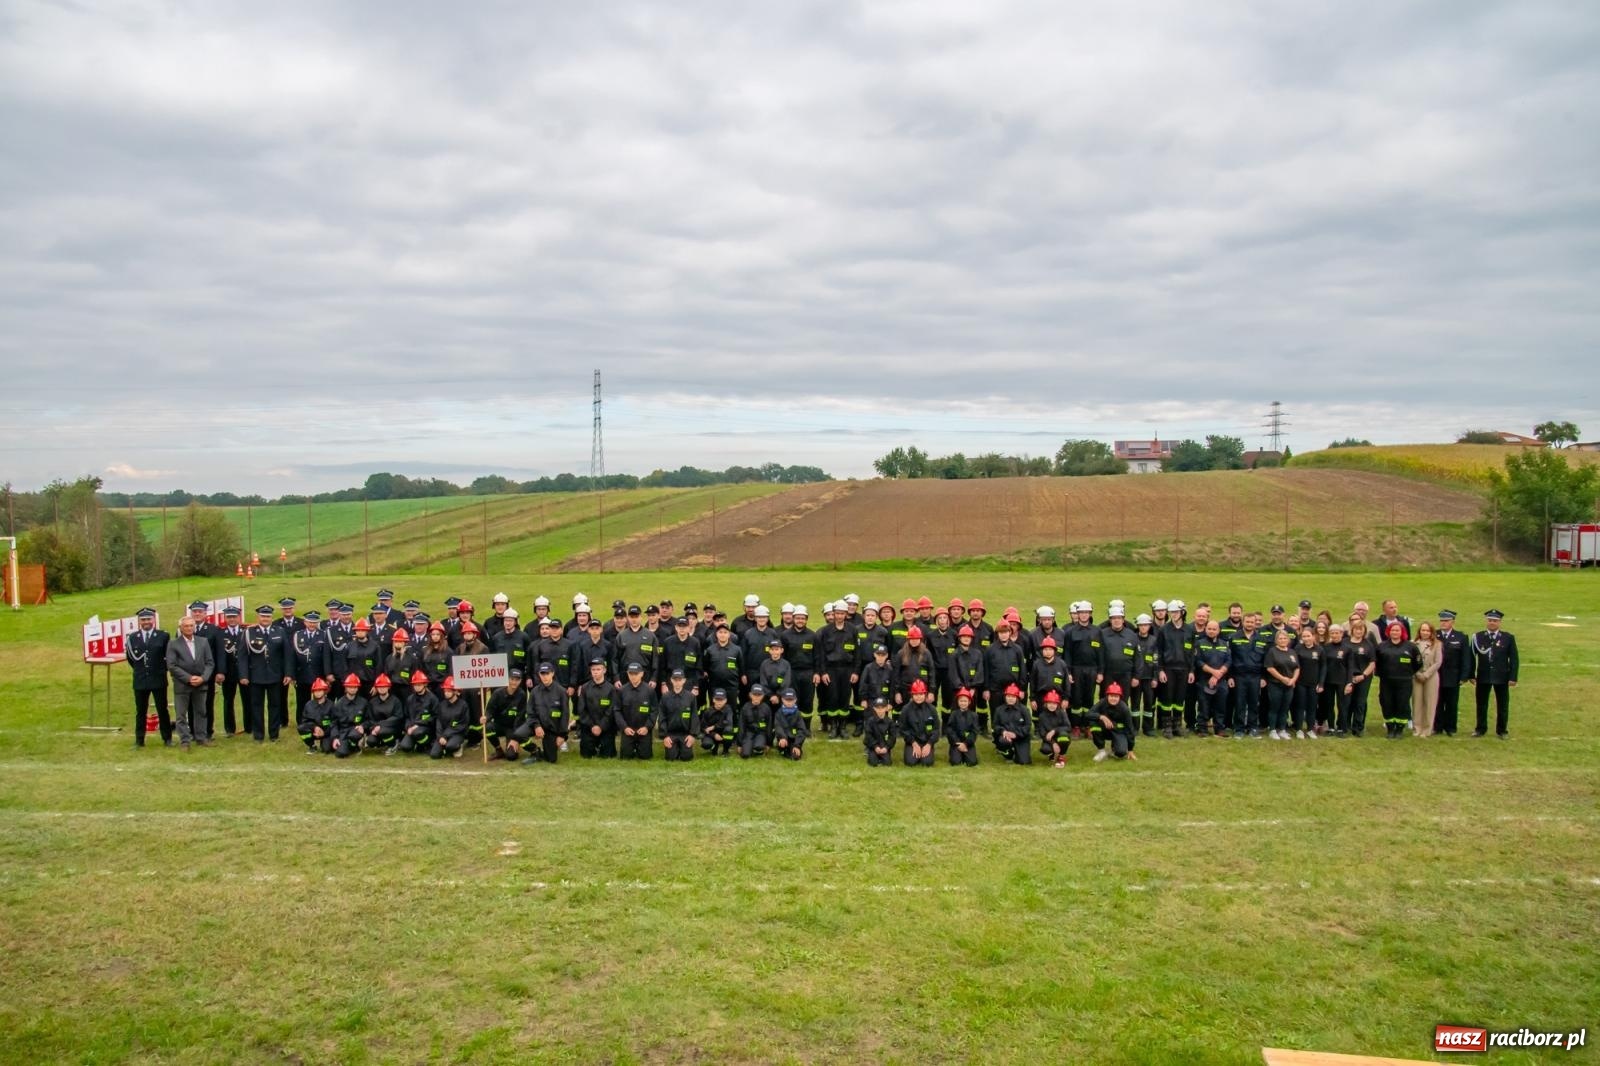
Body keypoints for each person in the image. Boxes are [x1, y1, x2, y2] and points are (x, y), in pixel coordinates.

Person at [237, 604, 292, 742]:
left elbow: (287, 655)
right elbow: (242, 656)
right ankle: (258, 735)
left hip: (275, 675)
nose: (265, 619)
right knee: (256, 706)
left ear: (271, 617)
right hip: (255, 676)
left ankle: (274, 735)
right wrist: (243, 675)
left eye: (268, 616)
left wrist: (288, 674)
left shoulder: (279, 631)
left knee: (275, 705)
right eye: (263, 616)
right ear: (258, 617)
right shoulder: (249, 632)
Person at [165, 614, 215, 750]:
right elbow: (172, 665)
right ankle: (185, 741)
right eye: (186, 626)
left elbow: (210, 663)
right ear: (180, 628)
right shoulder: (173, 644)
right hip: (182, 684)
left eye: (191, 625)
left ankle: (201, 737)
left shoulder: (203, 642)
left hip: (200, 683)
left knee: (201, 711)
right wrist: (188, 678)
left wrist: (203, 678)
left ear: (194, 627)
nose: (189, 628)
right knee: (181, 714)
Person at [126, 607, 172, 747]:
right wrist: (140, 670)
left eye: (148, 619)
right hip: (140, 680)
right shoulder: (132, 637)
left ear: (153, 620)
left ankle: (167, 738)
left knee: (162, 709)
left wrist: (159, 670)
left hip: (158, 678)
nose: (146, 622)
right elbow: (131, 658)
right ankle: (139, 740)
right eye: (143, 620)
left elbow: (168, 657)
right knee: (141, 711)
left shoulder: (163, 636)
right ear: (139, 621)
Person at [1469, 609, 1518, 738]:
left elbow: (1514, 659)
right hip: (1483, 676)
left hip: (1501, 677)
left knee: (1502, 705)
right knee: (1481, 704)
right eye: (1490, 620)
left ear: (1500, 622)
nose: (1492, 623)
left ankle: (1502, 730)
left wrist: (1513, 677)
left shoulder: (1508, 638)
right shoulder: (1478, 637)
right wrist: (1471, 675)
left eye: (1495, 621)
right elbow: (1471, 657)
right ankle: (1480, 728)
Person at [1376, 622, 1421, 739]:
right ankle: (1390, 728)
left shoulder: (1411, 647)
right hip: (1386, 681)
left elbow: (1418, 663)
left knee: (1402, 704)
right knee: (1387, 703)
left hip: (1404, 681)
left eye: (1397, 630)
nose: (1395, 632)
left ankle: (1400, 729)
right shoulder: (1382, 646)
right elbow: (1377, 663)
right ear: (1388, 632)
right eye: (1392, 630)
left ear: (1402, 632)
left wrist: (1408, 673)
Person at [518, 662, 568, 764]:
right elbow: (530, 712)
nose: (545, 676)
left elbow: (565, 716)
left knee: (551, 760)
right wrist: (536, 726)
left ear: (552, 674)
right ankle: (535, 751)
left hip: (551, 729)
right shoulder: (534, 692)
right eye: (542, 674)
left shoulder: (561, 691)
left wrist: (562, 735)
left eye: (547, 673)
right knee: (519, 734)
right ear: (539, 675)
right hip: (536, 725)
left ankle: (542, 754)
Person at [1433, 610, 1471, 736]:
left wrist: (1464, 676)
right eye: (1442, 621)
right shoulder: (1434, 635)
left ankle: (1451, 728)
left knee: (1452, 703)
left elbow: (1466, 658)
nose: (1443, 623)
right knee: (1437, 702)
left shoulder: (1461, 637)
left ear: (1452, 622)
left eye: (1446, 621)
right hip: (1437, 675)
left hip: (1453, 676)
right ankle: (1437, 727)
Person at [1193, 620, 1232, 737]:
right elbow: (1198, 661)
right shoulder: (1199, 643)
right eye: (1209, 629)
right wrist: (1213, 672)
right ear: (1205, 629)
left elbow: (1228, 661)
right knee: (1204, 705)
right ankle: (1202, 729)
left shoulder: (1224, 644)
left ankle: (1219, 729)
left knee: (1220, 705)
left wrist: (1218, 673)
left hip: (1221, 680)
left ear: (1218, 631)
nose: (1211, 631)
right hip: (1204, 679)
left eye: (1214, 629)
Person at [212, 606, 245, 735]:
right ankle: (229, 729)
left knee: (247, 699)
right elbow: (219, 654)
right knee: (228, 701)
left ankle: (249, 726)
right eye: (229, 617)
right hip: (228, 672)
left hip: (244, 672)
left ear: (239, 617)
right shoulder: (220, 633)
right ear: (225, 618)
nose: (232, 619)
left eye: (234, 617)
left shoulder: (245, 632)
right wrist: (220, 672)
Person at [576, 659, 618, 759]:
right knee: (586, 755)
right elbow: (581, 710)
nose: (595, 672)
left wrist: (601, 726)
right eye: (593, 669)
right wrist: (592, 726)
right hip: (589, 727)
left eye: (598, 669)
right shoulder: (585, 688)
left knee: (607, 755)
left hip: (606, 727)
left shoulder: (611, 689)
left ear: (604, 670)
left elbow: (611, 710)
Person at [1263, 628, 1299, 741]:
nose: (1282, 640)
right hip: (1275, 684)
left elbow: (1297, 668)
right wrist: (1282, 678)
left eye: (1284, 638)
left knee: (1285, 708)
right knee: (1275, 707)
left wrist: (1293, 680)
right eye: (1280, 638)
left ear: (1288, 639)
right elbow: (1269, 668)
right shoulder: (1272, 651)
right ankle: (1273, 730)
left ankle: (1282, 729)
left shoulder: (1292, 652)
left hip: (1289, 685)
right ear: (1276, 640)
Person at [615, 662, 656, 760]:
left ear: (642, 674)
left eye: (636, 674)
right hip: (628, 730)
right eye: (631, 674)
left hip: (644, 730)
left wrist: (647, 727)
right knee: (626, 757)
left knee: (645, 756)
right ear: (627, 674)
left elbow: (654, 711)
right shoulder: (621, 691)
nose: (633, 676)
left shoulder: (650, 691)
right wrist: (624, 728)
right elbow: (617, 711)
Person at [1088, 683, 1138, 762]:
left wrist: (1130, 749)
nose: (1113, 699)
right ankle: (1101, 751)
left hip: (1119, 731)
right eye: (1111, 696)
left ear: (1119, 697)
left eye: (1116, 696)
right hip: (1105, 729)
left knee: (1121, 753)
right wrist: (1101, 717)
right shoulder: (1102, 702)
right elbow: (1089, 714)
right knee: (1093, 723)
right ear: (1107, 696)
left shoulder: (1124, 709)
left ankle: (1114, 749)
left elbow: (1130, 729)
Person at [1344, 617, 1377, 737]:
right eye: (1356, 629)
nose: (1359, 631)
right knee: (1347, 702)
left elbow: (1372, 662)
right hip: (1348, 677)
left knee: (1360, 702)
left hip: (1363, 678)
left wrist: (1363, 675)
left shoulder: (1368, 644)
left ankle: (1358, 727)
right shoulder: (1345, 643)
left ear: (1364, 630)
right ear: (1352, 630)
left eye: (1361, 629)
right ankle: (1345, 725)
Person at [1410, 621, 1443, 737]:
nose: (1425, 632)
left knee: (1430, 703)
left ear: (1431, 632)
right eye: (1423, 630)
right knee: (1417, 702)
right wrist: (1418, 673)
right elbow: (1411, 661)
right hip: (1416, 676)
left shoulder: (1437, 644)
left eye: (1427, 630)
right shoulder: (1413, 644)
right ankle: (1417, 728)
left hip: (1431, 676)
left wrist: (1426, 674)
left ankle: (1427, 729)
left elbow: (1438, 662)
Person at [1291, 627, 1324, 740]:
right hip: (1301, 683)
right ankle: (1299, 729)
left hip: (1314, 683)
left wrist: (1321, 683)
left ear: (1313, 636)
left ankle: (1310, 729)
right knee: (1300, 706)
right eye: (1304, 636)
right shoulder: (1298, 648)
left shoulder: (1319, 650)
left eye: (1308, 636)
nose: (1306, 638)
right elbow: (1294, 666)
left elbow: (1323, 667)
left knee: (1312, 707)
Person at [659, 669, 699, 761]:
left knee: (687, 757)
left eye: (680, 680)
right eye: (675, 680)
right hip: (671, 734)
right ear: (671, 680)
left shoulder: (691, 697)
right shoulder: (665, 697)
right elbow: (662, 717)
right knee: (671, 757)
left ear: (684, 680)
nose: (677, 682)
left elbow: (694, 717)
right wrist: (664, 736)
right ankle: (674, 749)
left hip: (685, 734)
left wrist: (692, 735)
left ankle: (683, 749)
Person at [899, 680, 939, 766]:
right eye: (916, 694)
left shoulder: (932, 709)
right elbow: (903, 729)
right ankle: (912, 750)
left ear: (925, 694)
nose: (918, 697)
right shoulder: (906, 709)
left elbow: (936, 729)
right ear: (912, 695)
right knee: (910, 762)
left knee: (927, 763)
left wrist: (929, 744)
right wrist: (913, 743)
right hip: (912, 741)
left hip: (927, 741)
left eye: (921, 694)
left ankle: (927, 752)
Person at [1321, 623, 1352, 737]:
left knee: (1342, 705)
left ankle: (1341, 728)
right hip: (1329, 681)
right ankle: (1331, 727)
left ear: (1341, 634)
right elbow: (1323, 665)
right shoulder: (1325, 648)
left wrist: (1349, 683)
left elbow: (1350, 667)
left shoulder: (1347, 649)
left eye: (1337, 633)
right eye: (1332, 633)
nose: (1334, 635)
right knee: (1329, 705)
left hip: (1342, 681)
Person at [397, 670, 437, 754]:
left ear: (425, 684)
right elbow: (407, 716)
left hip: (426, 728)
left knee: (418, 733)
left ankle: (426, 744)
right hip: (412, 728)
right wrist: (408, 727)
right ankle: (417, 743)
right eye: (415, 685)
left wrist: (419, 724)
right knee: (405, 747)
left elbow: (435, 717)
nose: (417, 687)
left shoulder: (432, 699)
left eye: (419, 684)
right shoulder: (410, 699)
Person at [429, 677, 471, 759]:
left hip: (457, 734)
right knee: (434, 755)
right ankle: (445, 748)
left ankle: (458, 746)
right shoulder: (442, 705)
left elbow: (462, 725)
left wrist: (445, 735)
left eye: (449, 691)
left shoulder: (463, 705)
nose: (446, 693)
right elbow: (439, 722)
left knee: (450, 746)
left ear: (455, 691)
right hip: (443, 735)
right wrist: (440, 736)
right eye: (445, 691)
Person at [329, 673, 367, 759]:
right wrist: (335, 738)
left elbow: (369, 719)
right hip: (343, 733)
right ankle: (352, 746)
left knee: (354, 735)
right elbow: (334, 723)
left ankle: (358, 743)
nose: (352, 689)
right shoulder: (339, 704)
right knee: (339, 753)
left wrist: (363, 726)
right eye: (350, 686)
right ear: (346, 687)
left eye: (355, 687)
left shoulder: (364, 703)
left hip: (356, 731)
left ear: (357, 688)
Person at [992, 684, 1032, 765]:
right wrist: (1003, 732)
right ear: (1005, 697)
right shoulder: (999, 710)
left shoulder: (1024, 710)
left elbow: (1028, 726)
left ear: (1017, 698)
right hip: (1005, 737)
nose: (1010, 699)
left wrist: (1015, 734)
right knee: (1003, 742)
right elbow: (995, 726)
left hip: (1020, 737)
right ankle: (1008, 755)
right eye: (1008, 696)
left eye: (1013, 697)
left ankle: (1017, 752)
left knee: (1024, 761)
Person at [297, 677, 335, 754]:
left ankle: (324, 743)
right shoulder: (308, 705)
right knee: (301, 728)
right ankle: (312, 745)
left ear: (325, 691)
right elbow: (304, 721)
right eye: (315, 691)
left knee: (326, 749)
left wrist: (324, 733)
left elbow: (334, 723)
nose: (317, 693)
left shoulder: (331, 705)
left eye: (320, 690)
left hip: (327, 732)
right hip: (313, 731)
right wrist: (315, 727)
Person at [944, 688, 980, 767]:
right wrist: (957, 742)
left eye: (965, 701)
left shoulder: (974, 715)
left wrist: (966, 743)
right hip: (956, 743)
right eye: (961, 701)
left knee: (972, 762)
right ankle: (956, 753)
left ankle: (966, 753)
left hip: (968, 743)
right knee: (955, 762)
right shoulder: (953, 714)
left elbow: (974, 731)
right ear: (958, 702)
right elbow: (950, 730)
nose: (963, 703)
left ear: (969, 702)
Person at [1036, 690, 1071, 767]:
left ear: (1057, 704)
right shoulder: (1042, 716)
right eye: (1050, 703)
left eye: (1054, 703)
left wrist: (1054, 731)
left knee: (1064, 736)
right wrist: (1053, 743)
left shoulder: (1062, 712)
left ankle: (1061, 756)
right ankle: (1052, 754)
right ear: (1046, 703)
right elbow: (1042, 733)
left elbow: (1068, 727)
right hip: (1049, 740)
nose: (1052, 705)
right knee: (1045, 750)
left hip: (1060, 736)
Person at [773, 688, 808, 760]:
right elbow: (778, 726)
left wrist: (797, 745)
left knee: (795, 757)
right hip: (783, 739)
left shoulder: (798, 714)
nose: (789, 702)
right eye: (787, 700)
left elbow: (802, 730)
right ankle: (781, 747)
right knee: (783, 749)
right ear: (782, 700)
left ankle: (793, 749)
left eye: (791, 700)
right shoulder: (778, 713)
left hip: (794, 740)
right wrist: (782, 737)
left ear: (795, 700)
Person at [738, 684, 771, 758]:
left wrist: (768, 744)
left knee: (758, 747)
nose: (756, 697)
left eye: (759, 695)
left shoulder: (766, 708)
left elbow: (769, 726)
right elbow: (741, 726)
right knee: (745, 755)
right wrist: (739, 744)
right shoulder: (745, 707)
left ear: (763, 695)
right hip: (749, 733)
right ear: (750, 695)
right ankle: (749, 746)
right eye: (754, 694)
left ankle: (758, 746)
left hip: (761, 733)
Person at [701, 688, 736, 756]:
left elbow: (728, 722)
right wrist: (714, 735)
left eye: (721, 700)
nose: (719, 702)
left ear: (725, 700)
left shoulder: (728, 709)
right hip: (712, 735)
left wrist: (714, 727)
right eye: (717, 699)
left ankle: (725, 751)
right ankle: (713, 747)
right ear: (713, 699)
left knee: (729, 729)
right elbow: (703, 727)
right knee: (706, 744)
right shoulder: (708, 711)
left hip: (724, 734)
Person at [864, 697, 895, 766]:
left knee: (887, 763)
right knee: (872, 763)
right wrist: (875, 746)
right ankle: (872, 754)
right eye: (878, 708)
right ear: (874, 708)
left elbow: (892, 737)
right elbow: (868, 735)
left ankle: (884, 756)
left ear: (886, 708)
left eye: (882, 708)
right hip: (874, 746)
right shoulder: (870, 721)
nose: (880, 710)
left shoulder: (890, 722)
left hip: (884, 747)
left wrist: (886, 747)